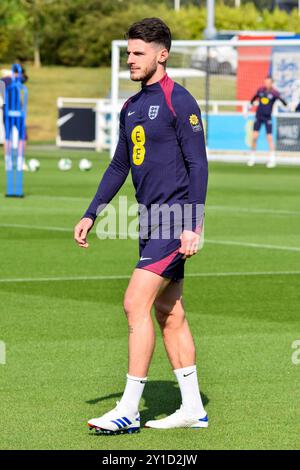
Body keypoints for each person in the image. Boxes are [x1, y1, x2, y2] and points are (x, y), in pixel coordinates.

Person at [74, 18, 208, 434]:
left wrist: (193, 223)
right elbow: (119, 164)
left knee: (135, 303)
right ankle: (192, 410)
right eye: (129, 52)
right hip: (148, 220)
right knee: (170, 312)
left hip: (174, 218)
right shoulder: (130, 106)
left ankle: (129, 408)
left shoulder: (178, 101)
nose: (130, 59)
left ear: (161, 54)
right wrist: (92, 211)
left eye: (138, 53)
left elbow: (197, 164)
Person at [248, 76, 287, 168]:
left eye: (268, 82)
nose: (267, 84)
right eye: (265, 82)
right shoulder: (260, 91)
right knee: (254, 137)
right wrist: (250, 106)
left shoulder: (275, 93)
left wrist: (288, 106)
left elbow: (283, 102)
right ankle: (252, 158)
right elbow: (253, 99)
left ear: (271, 83)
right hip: (258, 116)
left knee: (269, 137)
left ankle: (272, 159)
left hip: (267, 117)